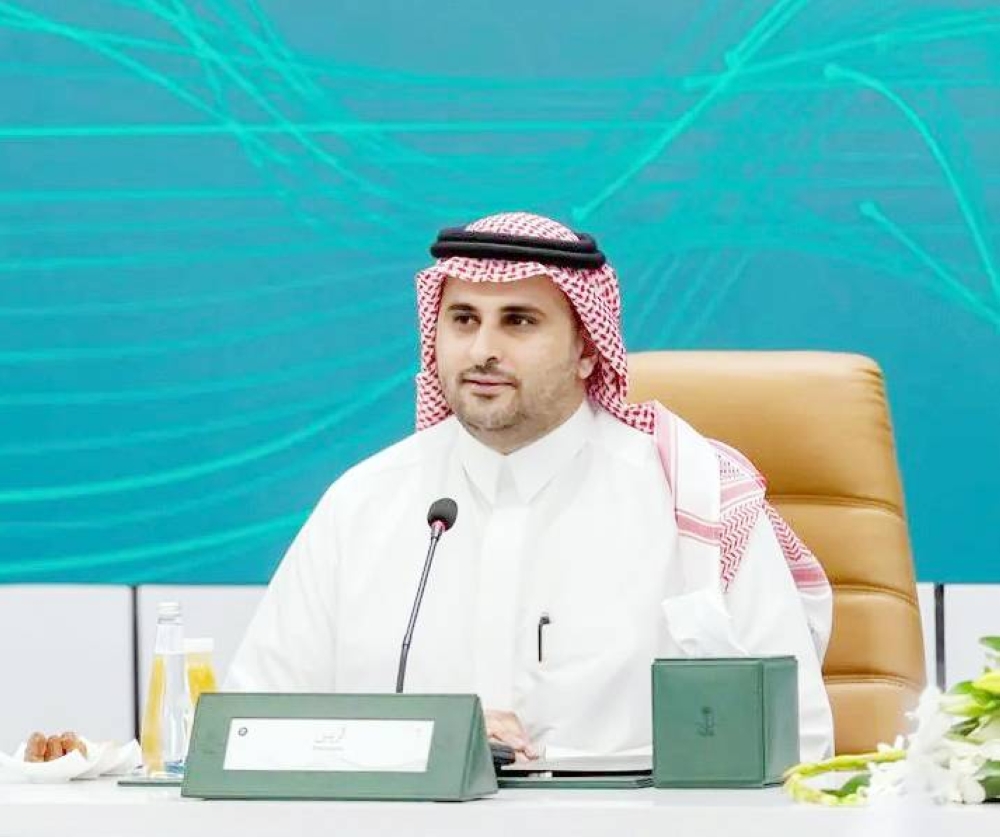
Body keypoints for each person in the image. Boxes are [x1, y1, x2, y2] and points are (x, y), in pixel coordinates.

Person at [226, 212, 835, 762]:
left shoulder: (697, 500)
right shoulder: (364, 504)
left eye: (518, 321)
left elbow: (796, 745)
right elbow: (249, 737)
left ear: (587, 350)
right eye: (463, 320)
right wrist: (434, 742)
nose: (483, 350)